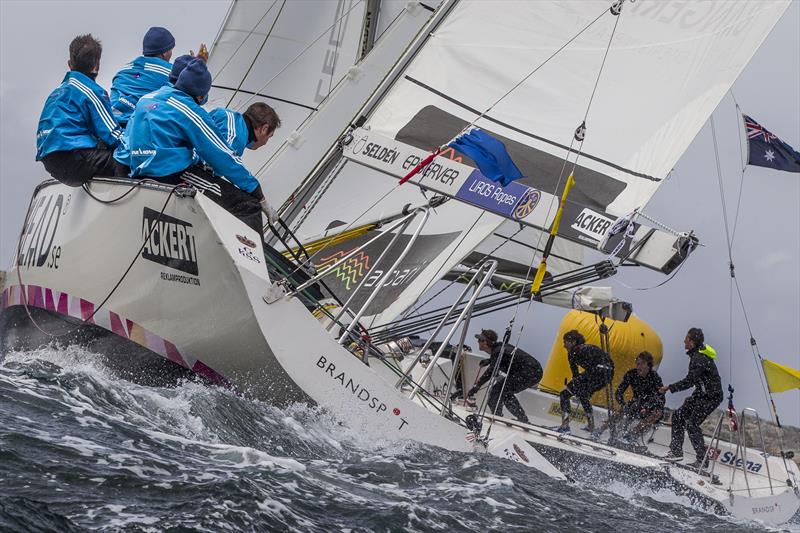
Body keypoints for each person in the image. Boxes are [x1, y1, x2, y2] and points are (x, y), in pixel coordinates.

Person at [126, 59, 279, 233]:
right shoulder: (192, 112)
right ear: (200, 95)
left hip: (135, 170)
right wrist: (258, 194)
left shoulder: (148, 97)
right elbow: (222, 158)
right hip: (169, 175)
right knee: (248, 206)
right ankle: (249, 257)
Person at [36, 34, 124, 186]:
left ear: (70, 64)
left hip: (50, 161)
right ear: (97, 66)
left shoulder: (57, 93)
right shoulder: (91, 92)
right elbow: (113, 134)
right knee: (124, 160)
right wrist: (138, 148)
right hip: (73, 157)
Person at [660, 327, 723, 468]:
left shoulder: (699, 359)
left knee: (692, 424)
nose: (684, 341)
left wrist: (670, 387)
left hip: (711, 397)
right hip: (701, 394)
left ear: (692, 342)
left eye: (686, 339)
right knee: (678, 416)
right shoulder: (696, 355)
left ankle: (702, 461)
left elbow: (689, 381)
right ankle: (676, 452)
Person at [465, 329, 542, 424]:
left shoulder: (498, 351)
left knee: (497, 391)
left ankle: (498, 418)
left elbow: (491, 371)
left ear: (484, 342)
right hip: (532, 371)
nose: (478, 342)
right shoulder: (498, 349)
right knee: (503, 392)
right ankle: (521, 419)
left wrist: (476, 387)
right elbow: (504, 358)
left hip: (529, 371)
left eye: (479, 340)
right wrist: (489, 361)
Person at [110, 27, 175, 125]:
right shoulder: (170, 72)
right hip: (140, 131)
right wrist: (198, 68)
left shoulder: (122, 71)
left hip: (113, 126)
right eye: (171, 50)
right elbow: (197, 97)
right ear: (165, 53)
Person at [597, 351, 664, 442]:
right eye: (637, 364)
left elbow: (660, 398)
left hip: (651, 406)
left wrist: (647, 407)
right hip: (637, 402)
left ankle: (631, 436)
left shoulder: (655, 378)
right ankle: (599, 431)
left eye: (641, 364)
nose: (638, 367)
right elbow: (619, 392)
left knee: (658, 412)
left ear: (648, 365)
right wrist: (622, 403)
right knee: (624, 409)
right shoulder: (631, 374)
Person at [557, 330, 614, 434]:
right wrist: (577, 385)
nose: (564, 345)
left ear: (573, 342)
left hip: (602, 372)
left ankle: (565, 426)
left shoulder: (581, 350)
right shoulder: (572, 354)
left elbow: (590, 370)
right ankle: (591, 426)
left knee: (564, 395)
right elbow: (575, 375)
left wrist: (577, 384)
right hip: (606, 374)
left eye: (566, 342)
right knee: (583, 395)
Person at [209, 103, 280, 158]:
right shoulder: (237, 140)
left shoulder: (222, 112)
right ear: (264, 129)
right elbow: (218, 162)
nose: (265, 143)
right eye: (269, 137)